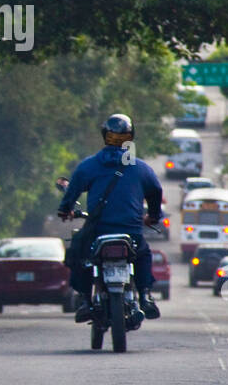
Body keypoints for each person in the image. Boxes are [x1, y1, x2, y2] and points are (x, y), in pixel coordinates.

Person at [59, 113, 162, 321]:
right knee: (143, 254)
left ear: (104, 135)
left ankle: (85, 300)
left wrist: (65, 209)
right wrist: (153, 216)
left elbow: (72, 192)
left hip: (99, 230)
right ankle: (145, 296)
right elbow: (156, 191)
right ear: (130, 138)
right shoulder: (141, 168)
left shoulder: (89, 166)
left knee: (80, 254)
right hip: (131, 232)